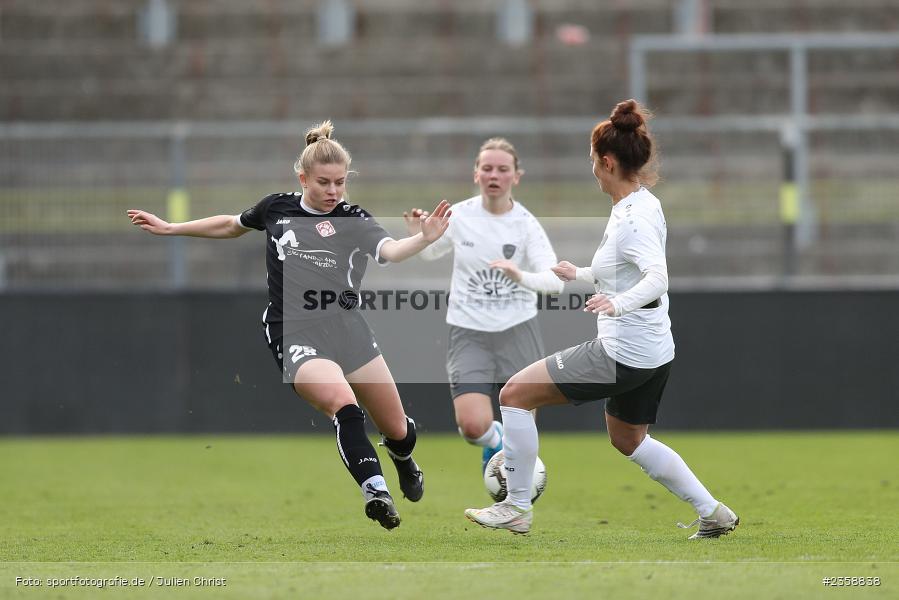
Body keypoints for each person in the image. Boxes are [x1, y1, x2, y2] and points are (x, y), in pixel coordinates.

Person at [127, 120, 452, 530]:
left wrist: (423, 239)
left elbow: (389, 250)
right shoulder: (276, 208)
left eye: (340, 183)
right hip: (294, 332)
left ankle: (404, 458)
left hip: (349, 331)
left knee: (398, 429)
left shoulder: (354, 218)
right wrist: (173, 227)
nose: (333, 191)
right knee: (345, 406)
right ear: (303, 178)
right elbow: (231, 224)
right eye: (324, 182)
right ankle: (377, 492)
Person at [463, 100, 739, 539]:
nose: (591, 168)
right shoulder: (642, 203)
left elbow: (657, 278)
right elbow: (623, 269)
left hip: (622, 351)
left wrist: (618, 304)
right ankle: (713, 512)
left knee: (515, 394)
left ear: (607, 162)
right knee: (628, 439)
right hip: (653, 351)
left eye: (593, 160)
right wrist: (583, 275)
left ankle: (515, 507)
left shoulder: (632, 219)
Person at [403, 138, 563, 474]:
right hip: (468, 331)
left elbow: (555, 282)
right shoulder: (458, 215)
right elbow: (432, 252)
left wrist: (519, 275)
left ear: (516, 176)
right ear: (476, 173)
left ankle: (515, 503)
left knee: (524, 436)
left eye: (503, 169)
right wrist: (422, 235)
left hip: (518, 329)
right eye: (487, 168)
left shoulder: (526, 224)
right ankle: (495, 440)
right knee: (473, 427)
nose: (494, 175)